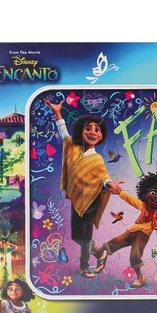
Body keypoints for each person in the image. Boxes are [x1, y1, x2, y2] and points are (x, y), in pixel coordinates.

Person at [44, 99, 122, 278]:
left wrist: (111, 184)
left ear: (101, 136)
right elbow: (64, 134)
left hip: (91, 201)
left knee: (85, 238)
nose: (92, 132)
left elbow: (103, 177)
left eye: (97, 130)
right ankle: (96, 249)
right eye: (88, 128)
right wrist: (58, 113)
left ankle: (85, 267)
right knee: (76, 237)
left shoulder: (97, 159)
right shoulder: (74, 147)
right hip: (76, 199)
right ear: (81, 131)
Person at [91, 172, 157, 287]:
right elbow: (131, 199)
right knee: (114, 242)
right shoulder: (143, 205)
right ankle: (98, 252)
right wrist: (120, 192)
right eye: (153, 192)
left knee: (135, 256)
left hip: (143, 235)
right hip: (131, 231)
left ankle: (139, 276)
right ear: (145, 193)